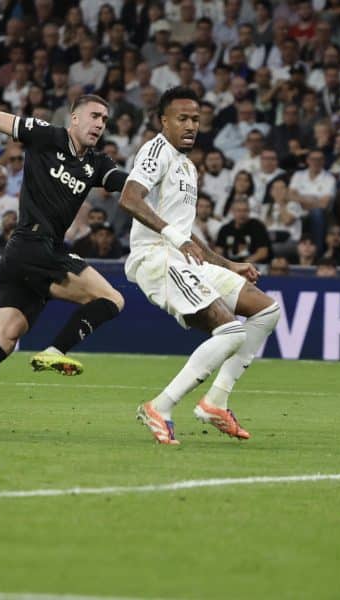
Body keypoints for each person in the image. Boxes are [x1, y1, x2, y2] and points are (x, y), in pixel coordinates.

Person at [0, 90, 165, 435]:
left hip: (24, 256)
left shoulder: (97, 164)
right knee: (112, 299)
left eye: (104, 120)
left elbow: (130, 189)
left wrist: (164, 181)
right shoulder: (45, 135)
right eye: (94, 116)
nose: (100, 124)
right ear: (74, 118)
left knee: (4, 338)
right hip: (32, 245)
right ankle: (55, 350)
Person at [119, 87, 281, 445]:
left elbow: (185, 232)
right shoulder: (155, 150)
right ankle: (159, 406)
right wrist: (177, 241)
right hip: (157, 258)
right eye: (182, 118)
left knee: (267, 310)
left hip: (183, 257)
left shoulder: (189, 167)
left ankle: (216, 401)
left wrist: (228, 264)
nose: (191, 125)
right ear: (164, 121)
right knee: (231, 333)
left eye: (195, 119)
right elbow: (129, 198)